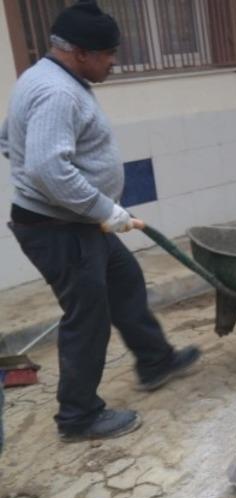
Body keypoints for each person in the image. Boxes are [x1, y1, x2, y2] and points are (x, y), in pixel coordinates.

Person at [1, 1, 201, 443]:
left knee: (125, 280)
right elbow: (48, 170)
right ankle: (78, 416)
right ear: (76, 52)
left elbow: (8, 138)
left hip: (74, 221)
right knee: (86, 318)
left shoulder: (43, 77)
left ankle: (155, 361)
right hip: (59, 229)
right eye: (107, 54)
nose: (112, 62)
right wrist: (104, 209)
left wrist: (85, 204)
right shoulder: (58, 92)